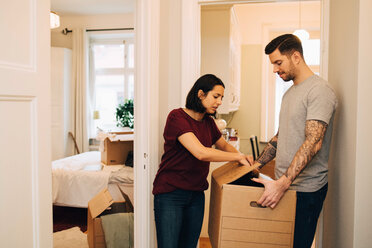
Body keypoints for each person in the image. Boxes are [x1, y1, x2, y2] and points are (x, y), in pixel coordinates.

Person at [251, 34, 337, 248]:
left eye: (278, 63)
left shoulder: (319, 90)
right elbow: (280, 136)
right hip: (285, 186)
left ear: (296, 56)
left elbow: (314, 142)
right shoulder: (289, 94)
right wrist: (256, 165)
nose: (274, 70)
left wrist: (282, 184)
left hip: (306, 190)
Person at [153, 74, 252, 248]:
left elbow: (223, 145)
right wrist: (237, 157)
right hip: (171, 194)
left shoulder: (208, 122)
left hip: (196, 195)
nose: (220, 101)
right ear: (200, 94)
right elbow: (201, 153)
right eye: (216, 96)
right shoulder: (176, 118)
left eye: (221, 97)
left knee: (189, 245)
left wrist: (242, 156)